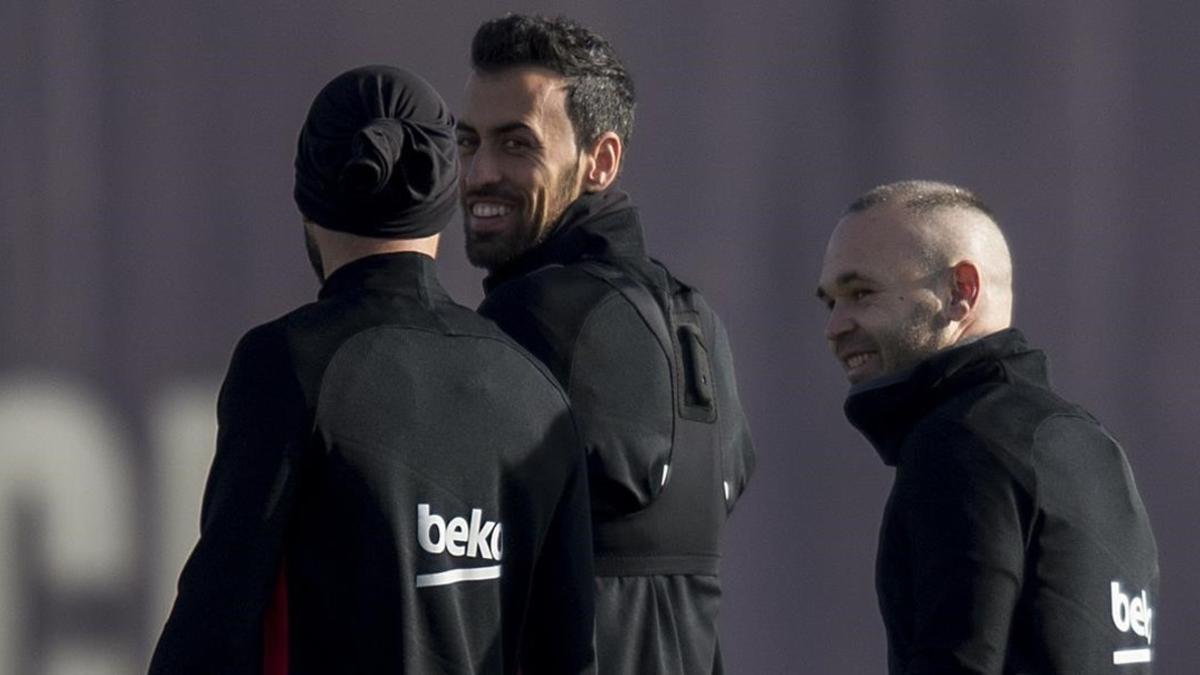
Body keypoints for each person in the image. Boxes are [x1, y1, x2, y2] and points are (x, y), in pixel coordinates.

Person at [149, 65, 595, 675]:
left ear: (308, 198)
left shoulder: (290, 363)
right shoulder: (535, 390)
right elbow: (567, 650)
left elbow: (216, 623)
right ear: (444, 198)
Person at [456, 14, 755, 675]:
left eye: (516, 145)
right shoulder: (700, 321)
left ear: (602, 160)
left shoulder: (531, 315)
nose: (478, 173)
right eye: (468, 141)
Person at [816, 180, 1159, 673]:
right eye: (830, 302)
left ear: (960, 293)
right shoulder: (1086, 442)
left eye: (861, 292)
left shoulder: (959, 442)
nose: (834, 327)